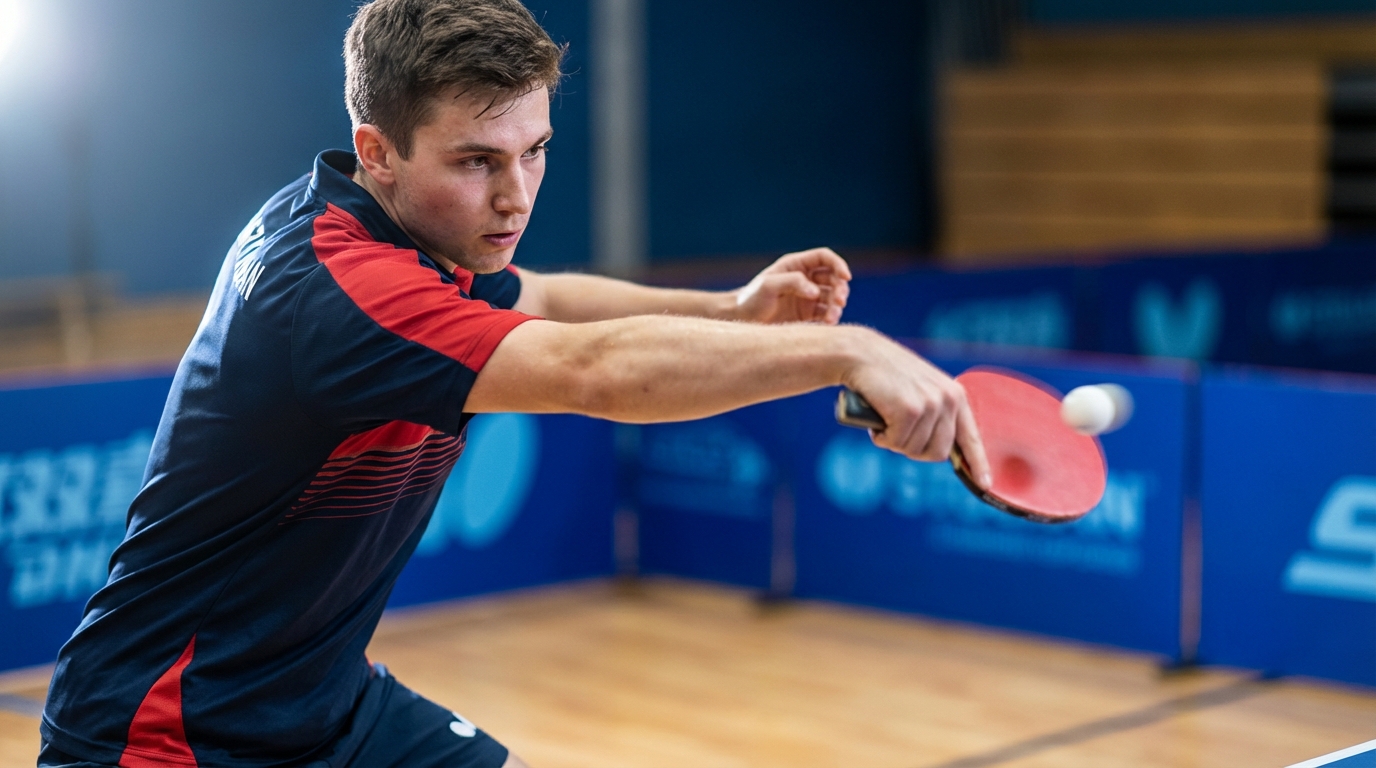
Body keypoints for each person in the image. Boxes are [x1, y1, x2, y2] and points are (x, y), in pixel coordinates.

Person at [38, 1, 990, 766]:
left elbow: (550, 298)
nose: (518, 194)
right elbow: (593, 369)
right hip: (166, 730)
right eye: (477, 162)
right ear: (378, 150)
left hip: (318, 703)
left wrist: (733, 311)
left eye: (534, 151)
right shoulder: (337, 289)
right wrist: (843, 352)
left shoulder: (406, 229)